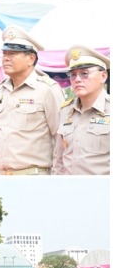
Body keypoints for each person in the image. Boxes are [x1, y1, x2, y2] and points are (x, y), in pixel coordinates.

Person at [0, 26, 64, 174]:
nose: (5, 58)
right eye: (4, 54)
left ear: (31, 58)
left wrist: (58, 175)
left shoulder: (47, 89)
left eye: (12, 54)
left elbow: (60, 137)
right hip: (1, 173)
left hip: (33, 173)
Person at [53, 46, 109, 174]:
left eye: (84, 73)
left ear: (103, 76)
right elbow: (59, 159)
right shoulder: (65, 111)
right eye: (73, 74)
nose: (77, 79)